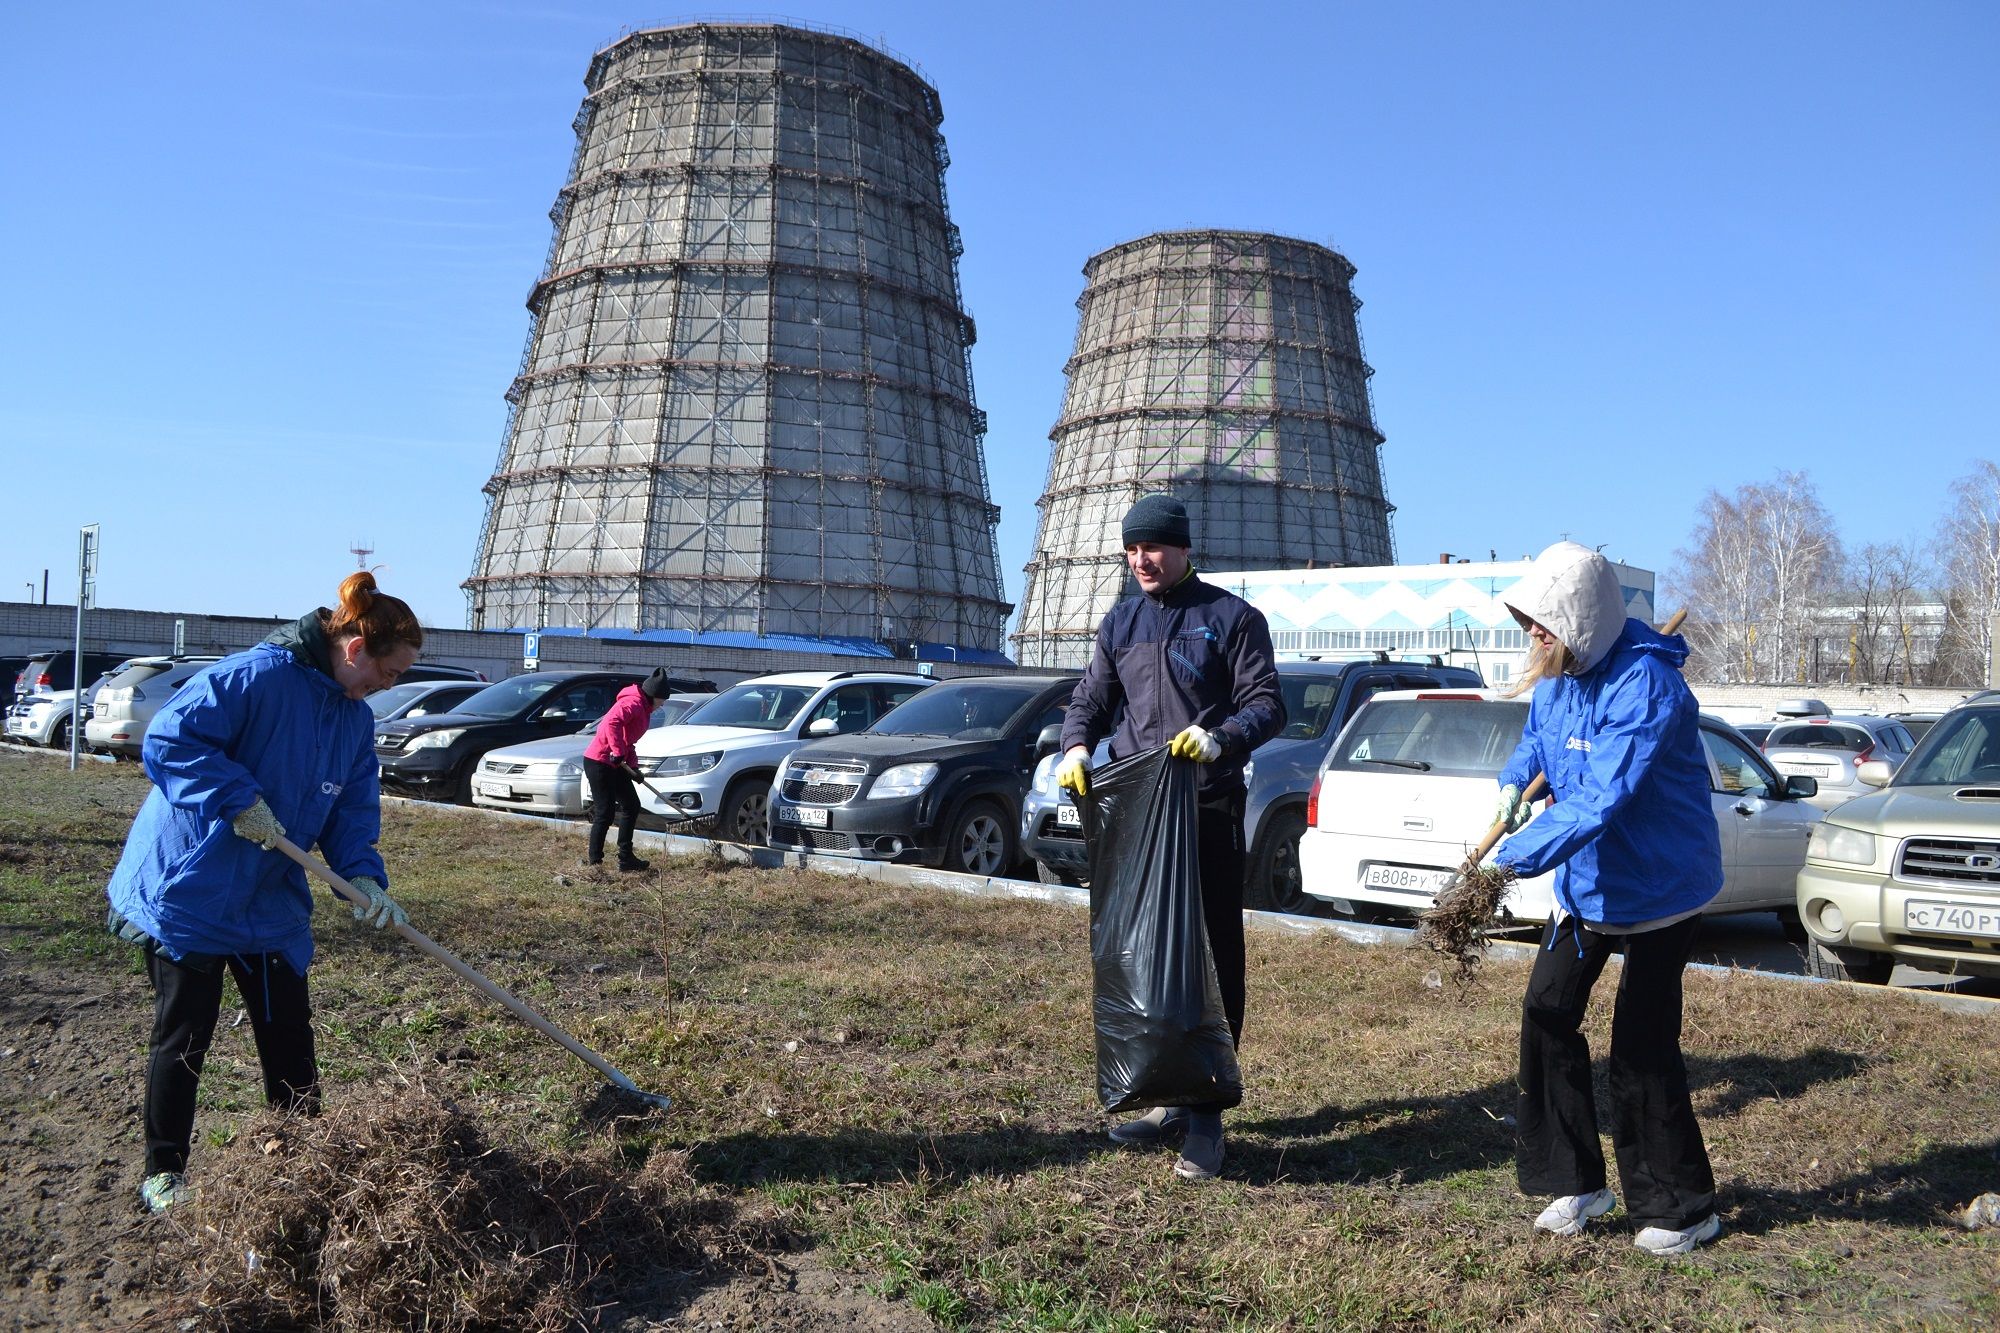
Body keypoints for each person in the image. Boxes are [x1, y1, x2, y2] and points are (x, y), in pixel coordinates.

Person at [105, 571, 422, 1214]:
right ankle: (164, 1171)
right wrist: (236, 797)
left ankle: (307, 1160)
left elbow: (352, 812)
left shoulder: (353, 723)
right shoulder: (254, 677)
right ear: (355, 648)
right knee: (185, 1035)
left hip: (270, 900)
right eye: (388, 673)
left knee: (288, 1033)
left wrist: (361, 875)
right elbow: (169, 740)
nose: (387, 687)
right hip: (192, 885)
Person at [1486, 541, 1724, 1255]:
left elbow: (1602, 795)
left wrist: (1509, 859)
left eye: (1542, 620)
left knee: (1641, 1044)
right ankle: (1577, 1179)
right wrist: (1512, 782)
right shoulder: (1561, 673)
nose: (1532, 632)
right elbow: (1539, 741)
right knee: (1546, 1010)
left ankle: (1683, 1208)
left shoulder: (1647, 684)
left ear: (1581, 619)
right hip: (1587, 882)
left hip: (1661, 883)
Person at [1058, 493, 1285, 1181]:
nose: (1141, 559)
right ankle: (1164, 1097)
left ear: (1184, 547)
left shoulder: (1230, 617)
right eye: (1131, 549)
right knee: (1143, 958)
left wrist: (1220, 740)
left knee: (1209, 960)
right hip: (1136, 818)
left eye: (1153, 547)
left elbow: (1268, 704)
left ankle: (1207, 1115)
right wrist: (1074, 746)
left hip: (1206, 811)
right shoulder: (1120, 622)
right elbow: (1089, 701)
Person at [582, 667, 676, 872]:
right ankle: (595, 862)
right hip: (600, 761)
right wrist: (616, 751)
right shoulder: (632, 703)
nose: (663, 704)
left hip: (616, 763)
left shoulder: (644, 709)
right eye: (662, 699)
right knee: (605, 812)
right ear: (654, 695)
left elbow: (629, 741)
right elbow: (611, 723)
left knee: (632, 805)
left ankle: (626, 858)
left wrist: (634, 768)